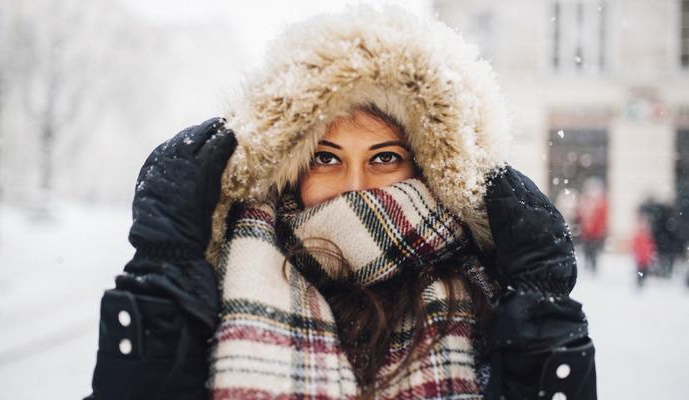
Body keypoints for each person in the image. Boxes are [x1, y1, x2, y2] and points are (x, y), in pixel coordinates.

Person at [86, 7, 596, 400]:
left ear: (429, 166)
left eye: (385, 157)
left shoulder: (483, 292)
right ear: (289, 169)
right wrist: (164, 278)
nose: (355, 185)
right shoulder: (221, 279)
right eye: (327, 159)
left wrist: (542, 317)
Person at [576, 178, 608, 273]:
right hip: (586, 232)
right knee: (587, 250)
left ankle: (593, 267)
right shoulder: (585, 201)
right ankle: (588, 266)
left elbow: (602, 219)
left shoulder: (601, 204)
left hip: (596, 233)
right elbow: (580, 215)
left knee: (593, 251)